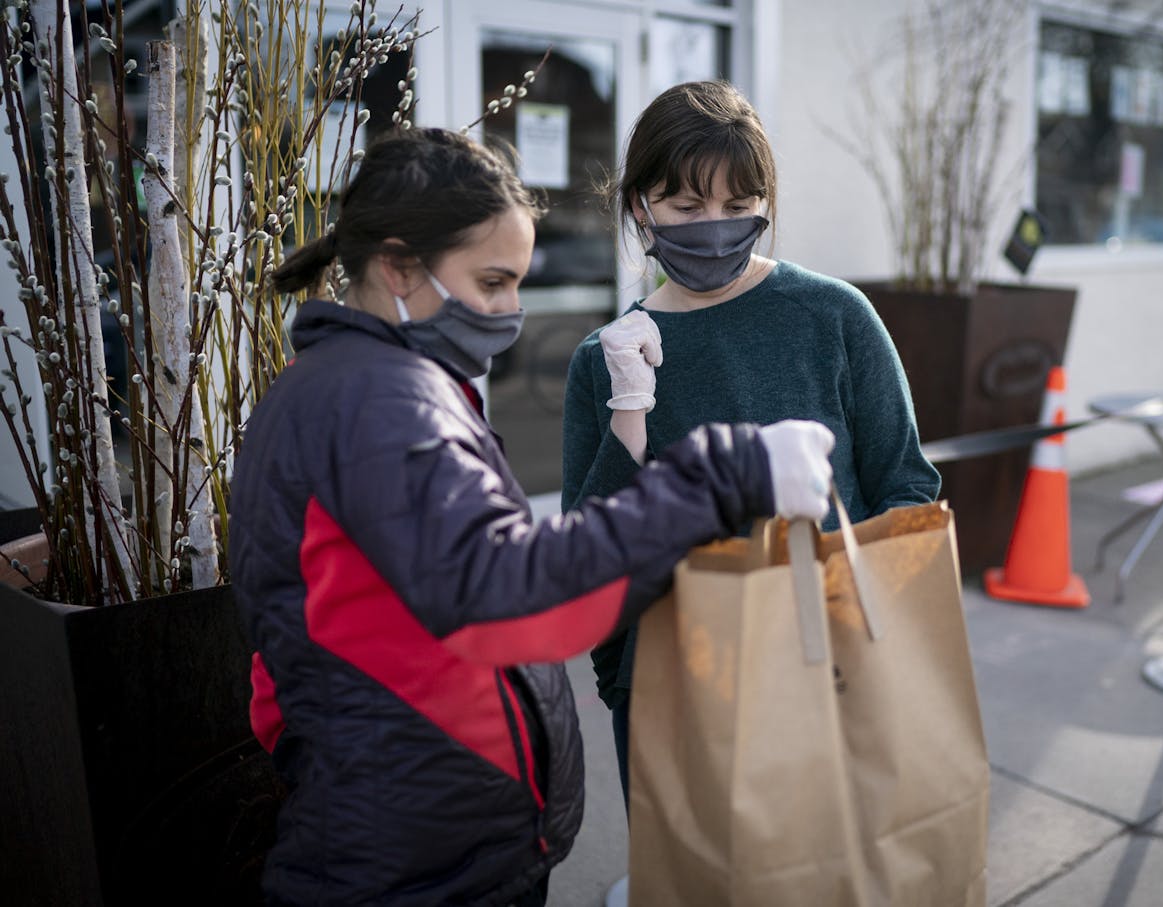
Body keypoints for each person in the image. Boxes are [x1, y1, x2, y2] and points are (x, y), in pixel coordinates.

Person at [228, 127, 837, 907]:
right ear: (398, 265)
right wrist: (727, 472)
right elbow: (515, 592)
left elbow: (291, 656)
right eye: (490, 281)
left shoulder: (349, 385)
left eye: (518, 280)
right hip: (417, 860)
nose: (512, 310)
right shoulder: (380, 404)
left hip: (402, 821)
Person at [561, 80, 942, 810]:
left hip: (828, 661)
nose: (715, 226)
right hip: (674, 684)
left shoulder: (834, 316)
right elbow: (588, 560)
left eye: (738, 207)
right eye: (687, 205)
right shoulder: (603, 361)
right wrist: (629, 411)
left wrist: (864, 627)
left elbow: (907, 487)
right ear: (640, 205)